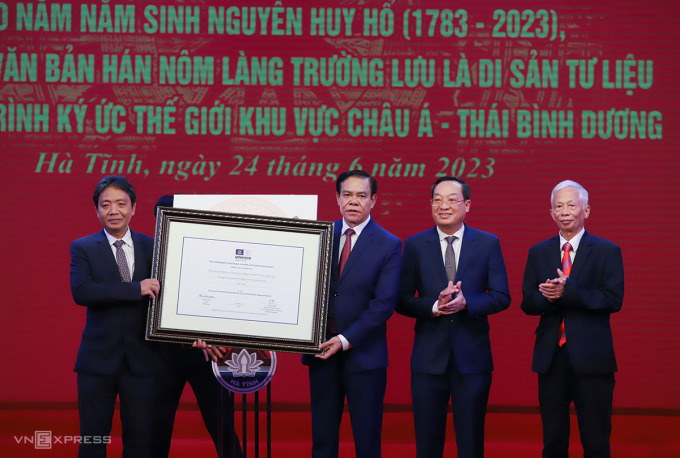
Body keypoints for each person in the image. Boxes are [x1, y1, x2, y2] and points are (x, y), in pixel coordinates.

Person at [396, 176, 511, 458]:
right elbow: (400, 299)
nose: (443, 205)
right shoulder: (414, 244)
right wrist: (434, 307)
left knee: (471, 441)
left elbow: (501, 296)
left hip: (472, 359)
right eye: (437, 199)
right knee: (427, 441)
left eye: (451, 199)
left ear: (467, 204)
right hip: (427, 359)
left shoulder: (487, 243)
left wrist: (466, 303)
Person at [301, 170, 402, 458]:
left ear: (374, 200)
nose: (353, 202)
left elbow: (383, 304)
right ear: (337, 198)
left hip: (364, 356)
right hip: (321, 352)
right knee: (322, 439)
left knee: (367, 441)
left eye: (361, 195)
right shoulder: (318, 236)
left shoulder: (389, 244)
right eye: (347, 195)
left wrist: (345, 339)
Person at [521, 180, 624, 458]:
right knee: (553, 441)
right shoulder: (538, 252)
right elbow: (527, 303)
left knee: (596, 441)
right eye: (558, 206)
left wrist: (569, 291)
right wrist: (549, 297)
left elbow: (613, 299)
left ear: (586, 210)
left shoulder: (607, 251)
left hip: (593, 360)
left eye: (571, 205)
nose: (564, 211)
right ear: (551, 213)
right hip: (551, 359)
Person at [70, 175, 160, 457]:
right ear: (97, 210)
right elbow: (83, 292)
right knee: (93, 442)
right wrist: (136, 289)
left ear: (133, 207)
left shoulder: (153, 246)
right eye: (105, 204)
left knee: (140, 443)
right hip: (97, 362)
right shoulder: (83, 247)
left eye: (121, 204)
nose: (114, 211)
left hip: (142, 361)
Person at [152, 195, 242, 458]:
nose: (167, 223)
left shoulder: (210, 255)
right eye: (162, 218)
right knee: (157, 428)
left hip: (206, 354)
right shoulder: (148, 255)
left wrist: (212, 335)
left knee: (222, 425)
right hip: (163, 356)